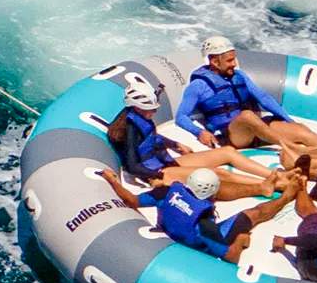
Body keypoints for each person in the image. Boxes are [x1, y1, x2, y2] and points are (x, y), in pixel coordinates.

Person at [106, 76, 282, 198]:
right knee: (216, 174)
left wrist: (174, 144)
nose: (154, 112)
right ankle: (267, 186)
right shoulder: (129, 128)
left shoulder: (140, 116)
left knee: (227, 152)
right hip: (157, 173)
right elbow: (131, 165)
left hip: (165, 162)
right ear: (136, 106)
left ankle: (277, 176)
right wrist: (156, 174)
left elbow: (150, 138)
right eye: (150, 109)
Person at [100, 166, 302, 265]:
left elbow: (132, 201)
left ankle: (262, 187)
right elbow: (229, 258)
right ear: (213, 192)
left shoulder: (166, 192)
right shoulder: (205, 225)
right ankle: (286, 197)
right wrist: (240, 242)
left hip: (169, 233)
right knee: (251, 215)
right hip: (194, 248)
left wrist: (113, 181)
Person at [176, 36, 317, 154]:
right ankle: (291, 148)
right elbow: (181, 116)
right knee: (247, 116)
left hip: (257, 129)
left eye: (234, 59)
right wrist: (200, 132)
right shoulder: (198, 86)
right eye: (229, 61)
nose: (234, 64)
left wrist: (288, 121)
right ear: (214, 61)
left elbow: (264, 98)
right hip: (233, 136)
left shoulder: (239, 76)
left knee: (301, 130)